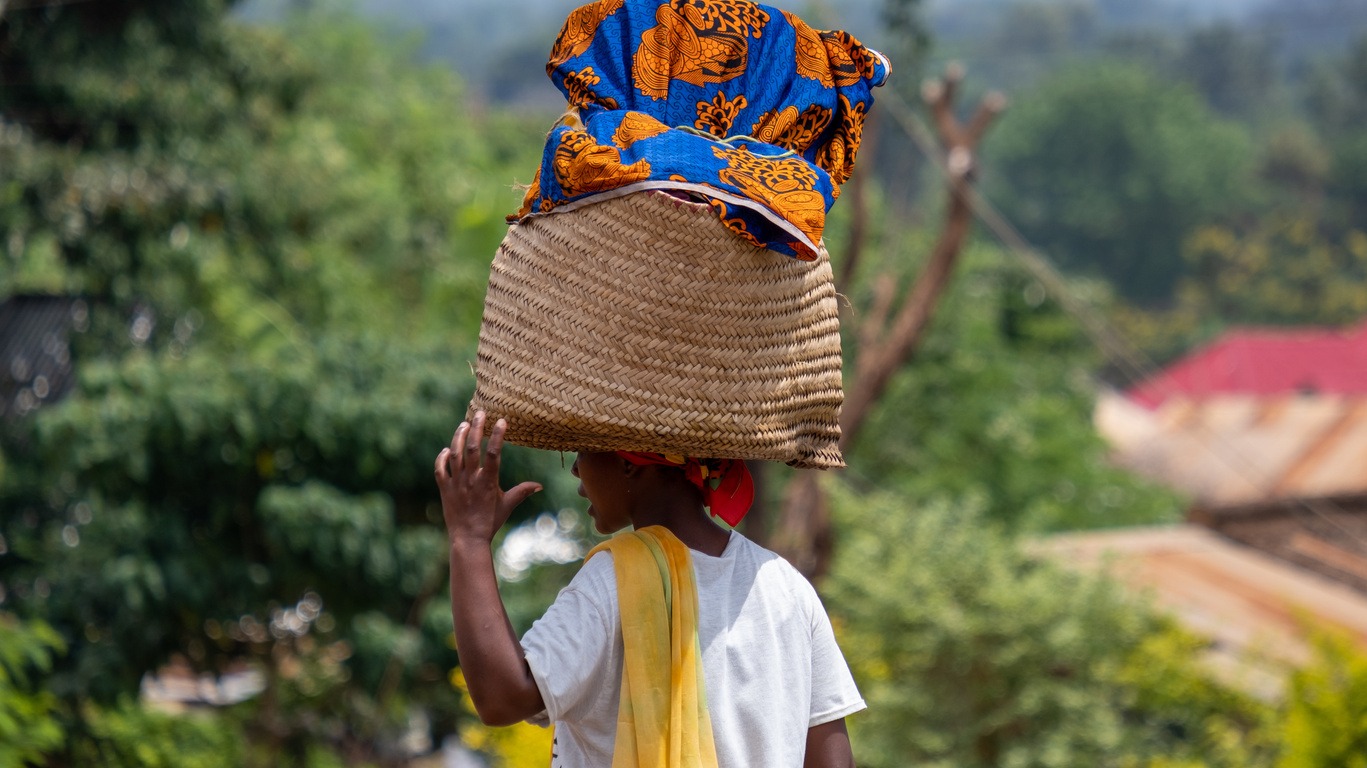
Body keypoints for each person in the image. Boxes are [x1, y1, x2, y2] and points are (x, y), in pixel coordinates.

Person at [436, 410, 865, 767]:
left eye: (582, 452)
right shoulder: (785, 586)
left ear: (627, 462)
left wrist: (469, 540)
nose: (577, 472)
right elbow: (831, 757)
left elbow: (503, 698)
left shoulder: (616, 581)